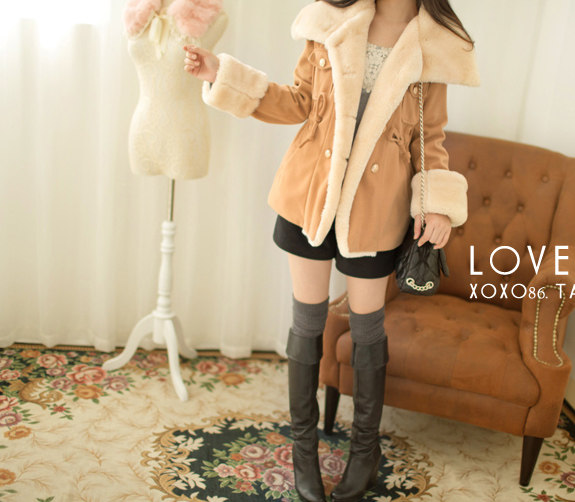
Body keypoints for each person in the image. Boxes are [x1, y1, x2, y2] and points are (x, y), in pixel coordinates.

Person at [183, 0, 479, 500]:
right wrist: (222, 74)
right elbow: (298, 100)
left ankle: (365, 451)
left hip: (378, 206)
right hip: (310, 195)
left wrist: (438, 207)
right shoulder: (332, 19)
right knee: (307, 322)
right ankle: (304, 451)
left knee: (367, 329)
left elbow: (429, 137)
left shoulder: (434, 42)